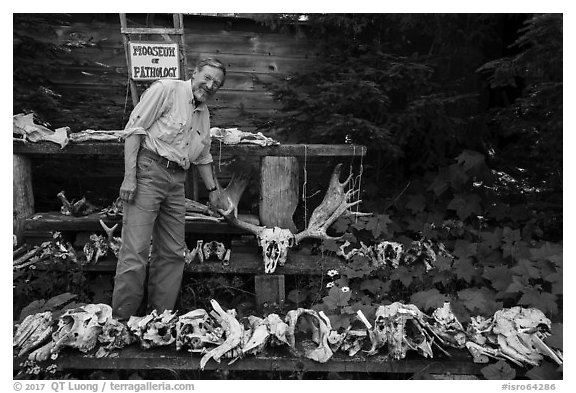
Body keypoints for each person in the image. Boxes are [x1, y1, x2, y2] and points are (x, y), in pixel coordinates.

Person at [112, 58, 230, 320]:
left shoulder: (203, 112)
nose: (210, 85)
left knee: (174, 253)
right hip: (148, 172)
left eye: (217, 84)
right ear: (195, 73)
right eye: (207, 78)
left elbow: (202, 157)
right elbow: (134, 130)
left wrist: (213, 191)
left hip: (177, 181)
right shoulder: (166, 89)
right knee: (136, 251)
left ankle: (159, 321)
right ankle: (120, 323)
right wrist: (129, 177)